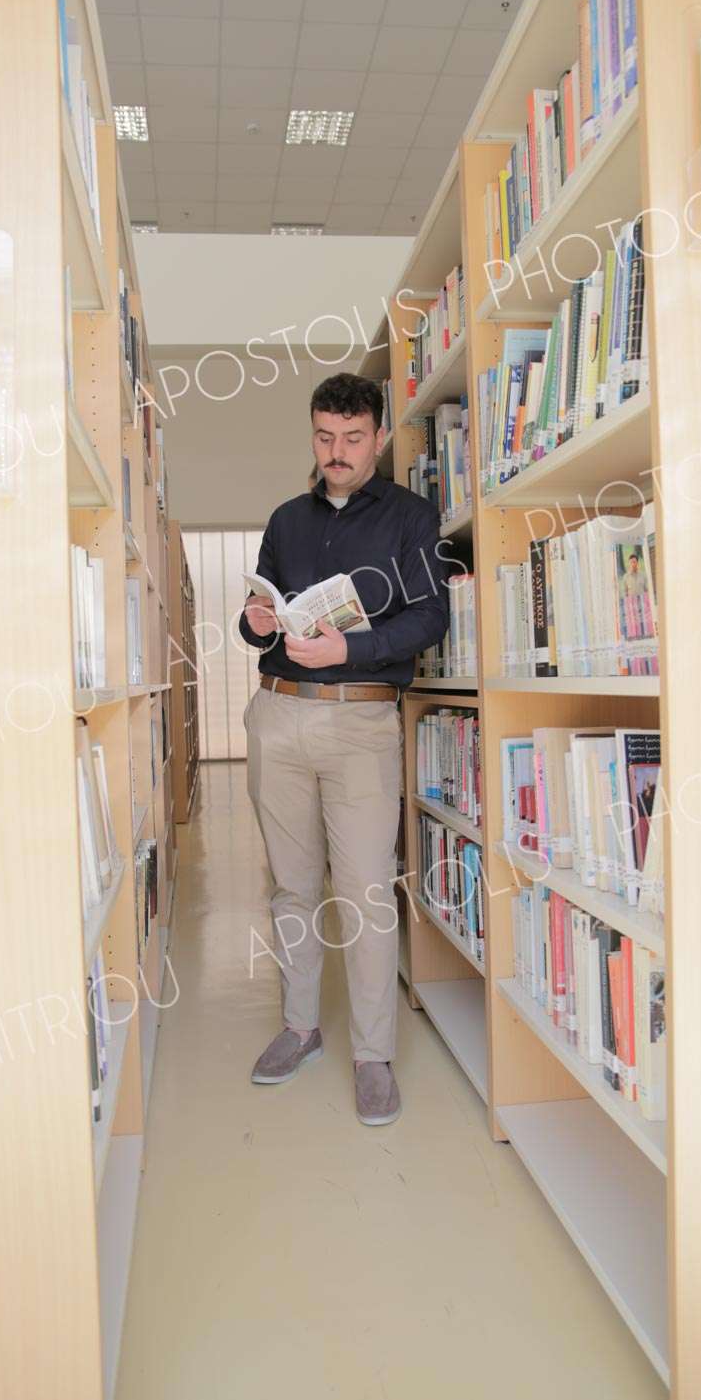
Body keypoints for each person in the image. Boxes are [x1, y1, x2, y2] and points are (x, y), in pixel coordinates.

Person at [239, 372, 451, 1125]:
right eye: (326, 437)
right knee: (291, 886)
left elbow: (430, 618)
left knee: (365, 892)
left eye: (354, 438)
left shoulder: (411, 518)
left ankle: (372, 1055)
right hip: (278, 714)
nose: (338, 451)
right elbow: (255, 615)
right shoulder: (285, 519)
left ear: (379, 438)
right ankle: (301, 1026)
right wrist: (256, 621)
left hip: (360, 722)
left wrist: (350, 649)